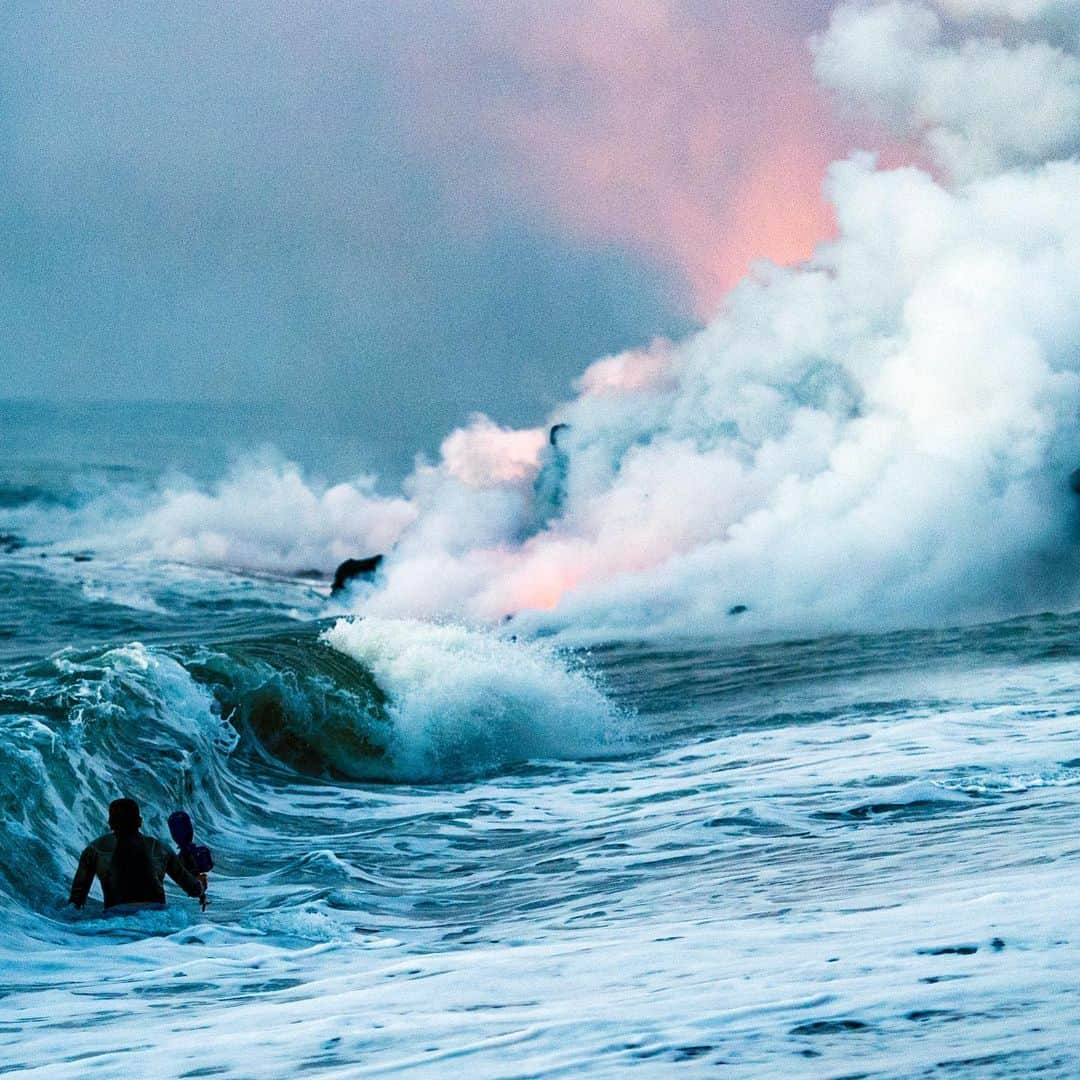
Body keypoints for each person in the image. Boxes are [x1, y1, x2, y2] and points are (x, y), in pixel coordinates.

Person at [68, 798, 206, 913]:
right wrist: (201, 885)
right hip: (157, 917)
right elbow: (193, 889)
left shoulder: (94, 850)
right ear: (140, 821)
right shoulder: (160, 848)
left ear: (110, 823)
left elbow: (76, 902)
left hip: (116, 918)